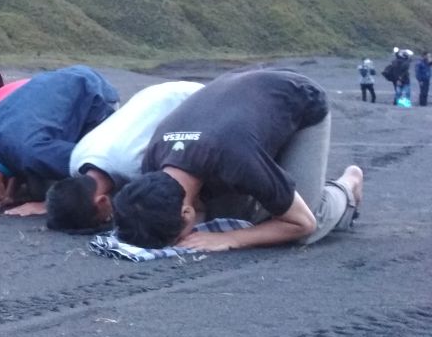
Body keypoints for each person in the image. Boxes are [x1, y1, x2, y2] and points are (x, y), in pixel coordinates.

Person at [112, 68, 362, 252]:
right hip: (240, 102)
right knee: (237, 217)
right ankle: (277, 189)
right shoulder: (153, 164)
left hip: (299, 100)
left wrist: (229, 239)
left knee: (304, 228)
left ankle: (347, 185)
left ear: (187, 212)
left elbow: (302, 224)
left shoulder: (236, 160)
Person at [0, 65, 120, 215]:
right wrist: (13, 183)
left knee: (42, 188)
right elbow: (9, 145)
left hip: (96, 94)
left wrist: (47, 205)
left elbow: (95, 160)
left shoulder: (32, 152)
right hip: (63, 77)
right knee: (32, 169)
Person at [45, 81, 203, 232]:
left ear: (102, 201)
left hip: (194, 100)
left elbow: (180, 177)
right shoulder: (76, 162)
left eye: (105, 219)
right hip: (153, 94)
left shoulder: (134, 168)